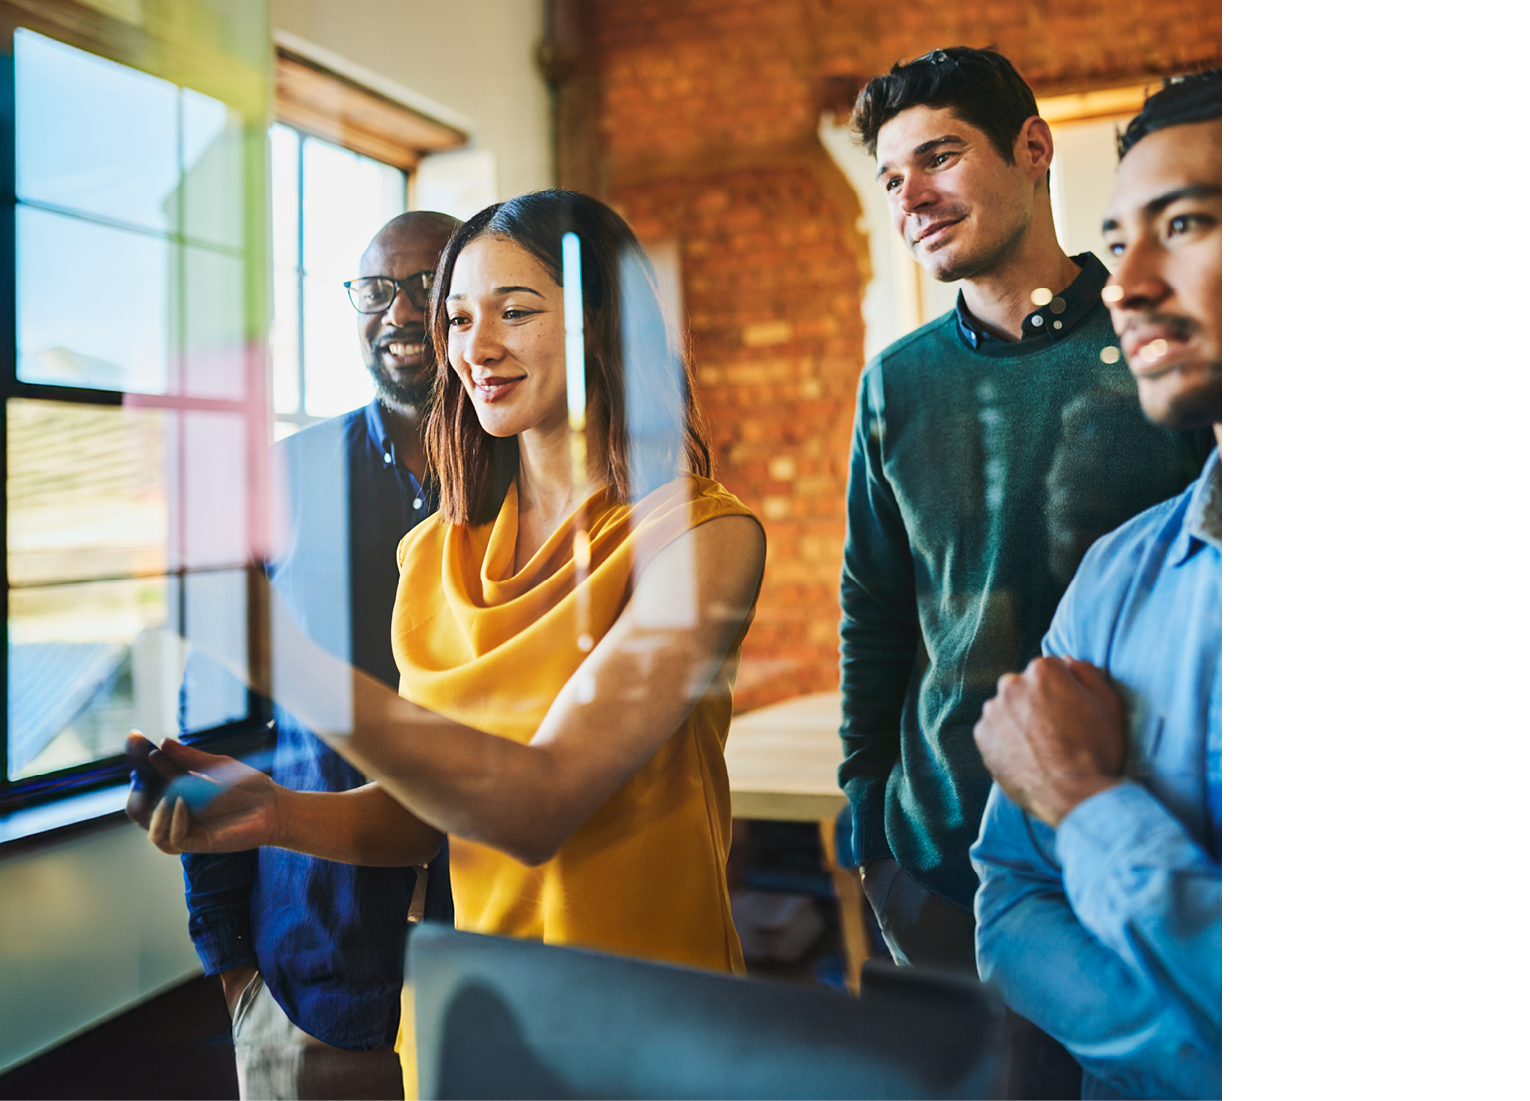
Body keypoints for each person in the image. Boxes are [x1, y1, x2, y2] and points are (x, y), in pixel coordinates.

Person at [128, 190, 765, 1096]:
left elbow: (538, 805)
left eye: (516, 311)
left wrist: (281, 661)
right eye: (460, 317)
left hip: (645, 1020)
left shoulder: (701, 539)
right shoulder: (432, 555)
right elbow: (432, 815)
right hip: (480, 1022)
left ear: (600, 323)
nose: (476, 346)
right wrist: (276, 812)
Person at [837, 45, 1209, 977]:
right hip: (936, 863)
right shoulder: (895, 382)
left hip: (1143, 853)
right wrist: (873, 835)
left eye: (940, 156)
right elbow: (874, 612)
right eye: (890, 176)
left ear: (1034, 149)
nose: (910, 195)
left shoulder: (1165, 349)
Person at [154, 211, 460, 1101]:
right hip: (310, 968)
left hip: (499, 954)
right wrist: (233, 967)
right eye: (375, 289)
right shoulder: (278, 481)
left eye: (427, 288)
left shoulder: (532, 484)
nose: (399, 312)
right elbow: (212, 723)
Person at [970, 71, 1223, 1101]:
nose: (1126, 282)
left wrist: (1086, 800)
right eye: (1119, 242)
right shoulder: (1120, 576)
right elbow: (1015, 902)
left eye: (1189, 222)